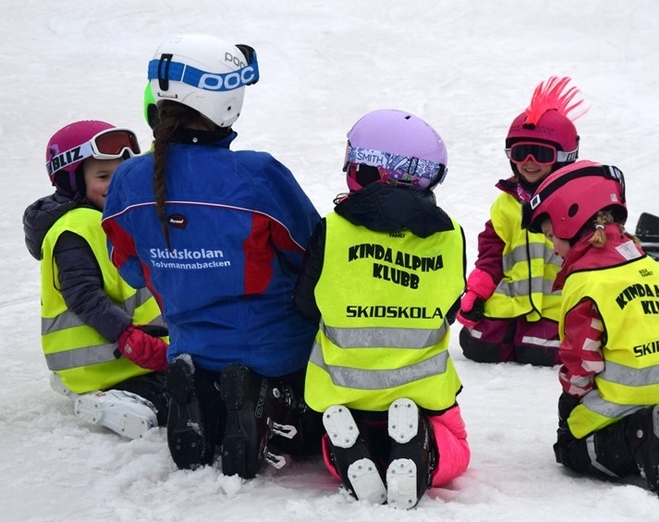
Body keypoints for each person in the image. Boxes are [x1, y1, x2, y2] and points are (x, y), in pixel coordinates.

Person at [102, 34, 322, 479]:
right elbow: (310, 254)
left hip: (191, 343)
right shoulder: (256, 174)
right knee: (315, 424)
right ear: (226, 101)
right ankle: (268, 401)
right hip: (274, 347)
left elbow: (126, 264)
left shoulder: (128, 180)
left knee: (206, 361)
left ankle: (204, 396)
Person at [294, 109, 470, 509]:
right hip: (422, 391)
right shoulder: (451, 236)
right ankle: (423, 450)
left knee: (328, 445)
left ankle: (351, 451)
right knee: (456, 449)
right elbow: (449, 311)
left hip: (342, 390)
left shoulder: (333, 229)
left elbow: (304, 306)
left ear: (370, 170)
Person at [523, 160, 659, 499]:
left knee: (570, 448)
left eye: (551, 235)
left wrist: (573, 398)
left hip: (627, 400)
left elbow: (581, 363)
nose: (552, 247)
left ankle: (640, 441)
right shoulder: (657, 270)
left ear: (571, 222)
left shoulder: (588, 283)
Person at [23, 120, 169, 440]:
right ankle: (102, 400)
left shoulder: (113, 216)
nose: (113, 185)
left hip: (135, 355)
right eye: (102, 177)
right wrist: (126, 335)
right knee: (177, 403)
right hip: (108, 360)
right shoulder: (76, 228)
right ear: (71, 179)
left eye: (119, 176)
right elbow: (84, 295)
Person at [457, 76, 586, 366]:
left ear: (565, 156)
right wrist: (477, 292)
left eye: (541, 153)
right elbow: (491, 254)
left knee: (540, 351)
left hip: (555, 305)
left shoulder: (578, 202)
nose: (528, 161)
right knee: (478, 346)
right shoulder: (506, 203)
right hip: (512, 301)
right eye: (519, 152)